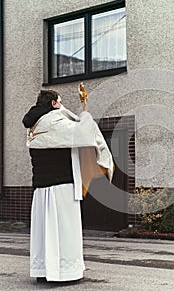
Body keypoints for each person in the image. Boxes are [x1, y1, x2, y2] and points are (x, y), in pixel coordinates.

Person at [22, 89, 114, 283]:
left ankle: (44, 271)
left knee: (45, 234)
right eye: (60, 102)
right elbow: (84, 134)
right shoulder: (53, 121)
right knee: (64, 232)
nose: (63, 106)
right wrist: (86, 117)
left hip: (41, 189)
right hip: (61, 187)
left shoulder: (34, 124)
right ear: (54, 103)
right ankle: (64, 274)